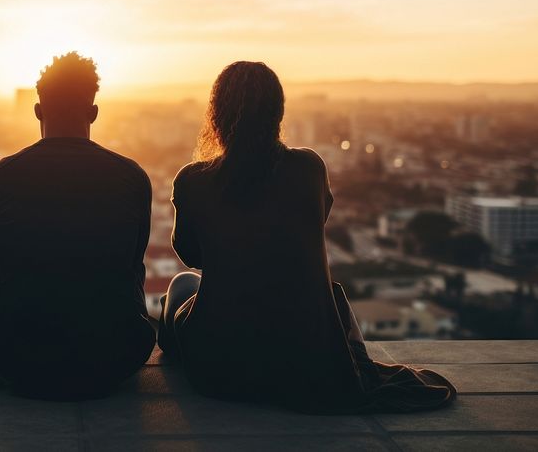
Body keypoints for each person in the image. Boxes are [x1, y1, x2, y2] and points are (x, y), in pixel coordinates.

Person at [158, 61, 457, 414]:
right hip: (305, 361)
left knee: (181, 285)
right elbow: (312, 227)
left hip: (221, 371)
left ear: (216, 115)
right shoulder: (308, 169)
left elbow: (193, 256)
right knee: (329, 293)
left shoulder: (193, 179)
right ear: (277, 114)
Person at [0, 52, 155, 399]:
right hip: (114, 358)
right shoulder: (132, 178)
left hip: (17, 358)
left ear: (38, 111)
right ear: (93, 113)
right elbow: (132, 266)